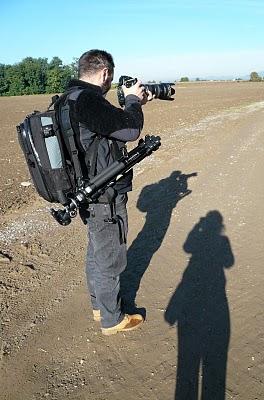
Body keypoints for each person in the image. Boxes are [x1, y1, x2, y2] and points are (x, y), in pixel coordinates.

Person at [63, 49, 152, 335]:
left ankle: (99, 307)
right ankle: (112, 320)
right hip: (104, 194)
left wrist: (131, 103)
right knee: (110, 256)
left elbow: (107, 127)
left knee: (97, 250)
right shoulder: (89, 100)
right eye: (110, 78)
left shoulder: (68, 99)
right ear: (105, 73)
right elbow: (129, 130)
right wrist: (134, 101)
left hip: (86, 190)